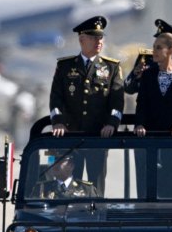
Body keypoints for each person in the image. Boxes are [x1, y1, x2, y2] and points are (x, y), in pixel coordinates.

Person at [49, 15, 124, 193]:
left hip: (97, 136)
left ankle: (95, 216)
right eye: (93, 37)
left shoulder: (111, 67)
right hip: (71, 134)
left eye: (101, 37)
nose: (99, 41)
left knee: (96, 185)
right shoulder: (65, 66)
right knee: (69, 183)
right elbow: (56, 98)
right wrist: (58, 121)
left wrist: (112, 123)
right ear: (82, 39)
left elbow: (117, 100)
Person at [134, 32, 172, 197]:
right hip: (151, 137)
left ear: (171, 50)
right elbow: (142, 103)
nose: (154, 51)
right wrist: (139, 124)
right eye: (154, 47)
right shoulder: (148, 75)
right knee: (148, 188)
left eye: (159, 48)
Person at [124, 18, 172, 110]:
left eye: (161, 45)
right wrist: (135, 76)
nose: (156, 49)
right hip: (149, 119)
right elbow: (128, 88)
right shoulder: (146, 59)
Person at [30, 151, 100, 199]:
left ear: (71, 165)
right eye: (53, 160)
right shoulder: (40, 189)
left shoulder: (88, 190)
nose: (55, 164)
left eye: (60, 160)